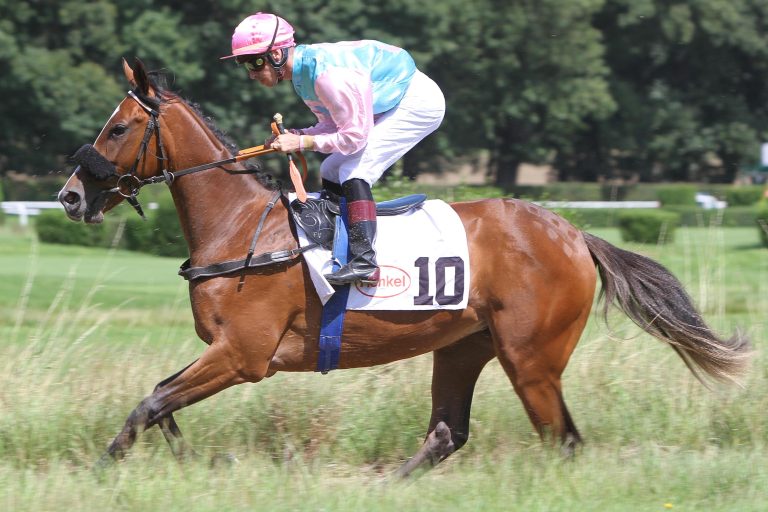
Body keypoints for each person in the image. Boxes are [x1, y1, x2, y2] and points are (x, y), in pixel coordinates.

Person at [222, 12, 446, 286]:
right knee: (331, 167)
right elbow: (332, 126)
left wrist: (301, 143)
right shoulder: (303, 76)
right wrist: (296, 135)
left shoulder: (327, 77)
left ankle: (365, 262)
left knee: (355, 169)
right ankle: (334, 245)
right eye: (245, 65)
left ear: (278, 54)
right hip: (389, 103)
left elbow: (352, 138)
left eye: (255, 62)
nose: (252, 74)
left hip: (418, 103)